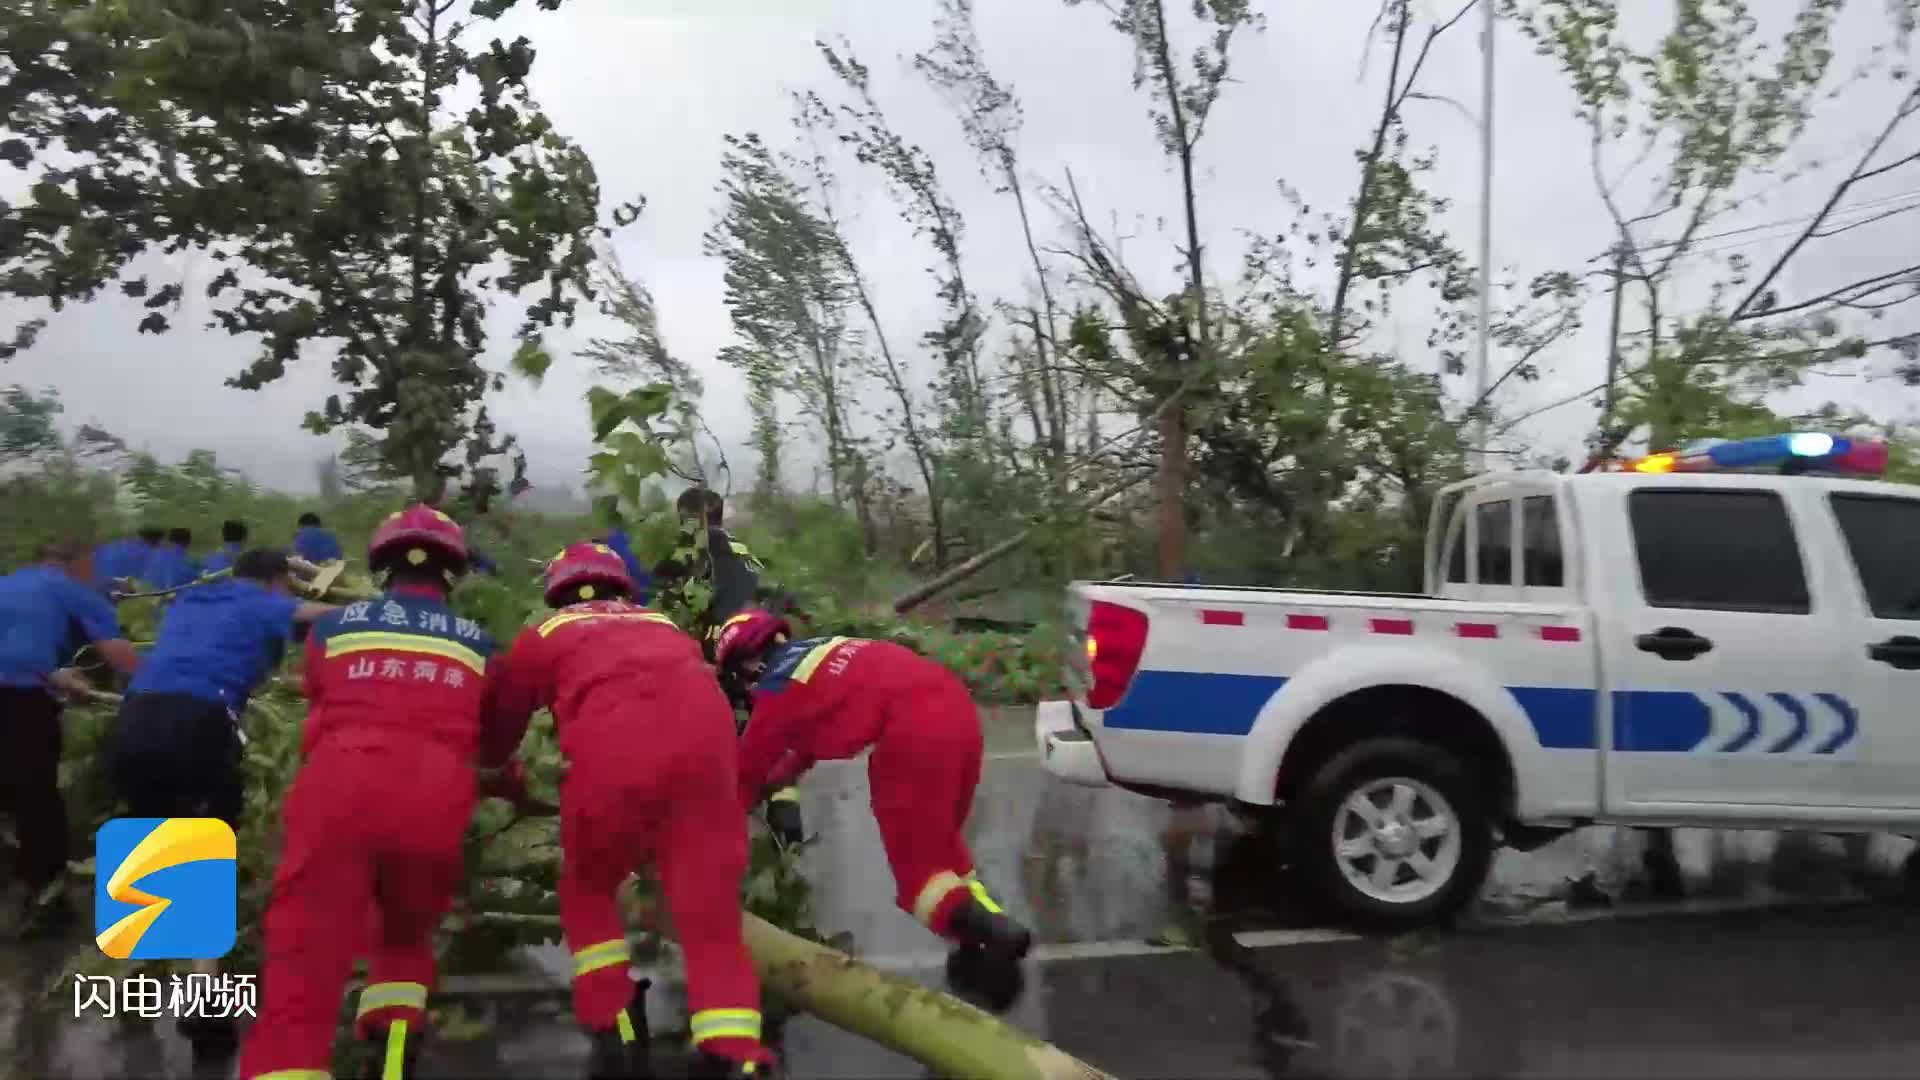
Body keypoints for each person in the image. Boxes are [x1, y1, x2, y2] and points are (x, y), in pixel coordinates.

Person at [483, 543, 773, 1080]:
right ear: (622, 587)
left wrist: (507, 782)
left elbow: (497, 736)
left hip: (612, 765)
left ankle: (615, 1025)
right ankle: (734, 1054)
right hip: (709, 766)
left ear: (557, 591)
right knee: (710, 917)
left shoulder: (544, 634)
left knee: (588, 887)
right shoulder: (665, 625)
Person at [240, 506, 508, 1080]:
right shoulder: (481, 645)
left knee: (306, 950)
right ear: (452, 574)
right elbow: (492, 741)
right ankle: (391, 1052)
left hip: (340, 792)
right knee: (407, 931)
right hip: (436, 806)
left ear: (381, 568)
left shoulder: (334, 627)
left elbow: (317, 706)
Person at [713, 609, 1033, 1013]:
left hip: (911, 733)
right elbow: (802, 747)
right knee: (944, 852)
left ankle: (996, 938)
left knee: (920, 881)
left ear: (750, 662)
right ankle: (983, 936)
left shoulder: (777, 690)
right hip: (957, 711)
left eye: (739, 678)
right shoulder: (819, 655)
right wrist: (778, 779)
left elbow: (740, 781)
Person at [111, 548, 334, 826]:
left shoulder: (190, 598)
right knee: (210, 820)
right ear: (278, 581)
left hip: (132, 715)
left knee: (146, 830)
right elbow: (333, 614)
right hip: (195, 719)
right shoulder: (263, 601)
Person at [0, 538, 142, 935]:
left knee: (11, 792)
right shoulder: (70, 589)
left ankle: (19, 880)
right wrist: (158, 687)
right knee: (37, 799)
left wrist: (54, 670)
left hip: (21, 688)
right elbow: (117, 653)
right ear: (76, 563)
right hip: (20, 701)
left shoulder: (6, 584)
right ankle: (45, 900)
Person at [649, 488, 762, 654]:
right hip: (758, 637)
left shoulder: (691, 552)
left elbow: (661, 611)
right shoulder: (744, 551)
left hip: (719, 645)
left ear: (688, 518)